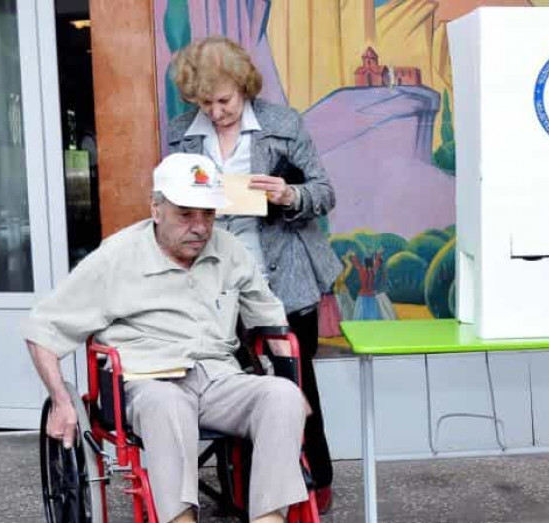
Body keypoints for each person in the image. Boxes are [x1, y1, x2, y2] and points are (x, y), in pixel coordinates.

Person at [21, 153, 309, 523]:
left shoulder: (230, 251)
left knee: (282, 396)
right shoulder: (117, 257)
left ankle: (269, 519)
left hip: (219, 379)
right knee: (167, 403)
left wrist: (289, 378)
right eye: (185, 214)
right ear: (156, 210)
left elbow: (270, 320)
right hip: (147, 381)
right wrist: (62, 402)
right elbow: (42, 328)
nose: (200, 228)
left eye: (208, 214)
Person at [167, 36, 342, 512]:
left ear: (244, 86)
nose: (216, 112)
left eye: (224, 100)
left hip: (283, 276)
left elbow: (324, 193)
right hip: (214, 282)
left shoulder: (283, 124)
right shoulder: (181, 134)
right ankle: (250, 493)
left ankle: (316, 481)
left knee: (296, 382)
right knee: (235, 388)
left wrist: (288, 194)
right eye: (205, 103)